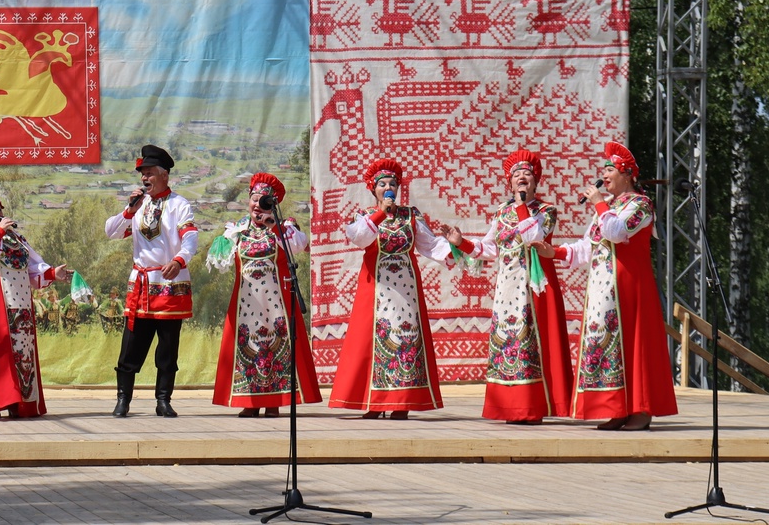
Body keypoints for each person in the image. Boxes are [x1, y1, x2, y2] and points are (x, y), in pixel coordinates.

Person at [535, 142, 677, 431]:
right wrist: (557, 253)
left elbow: (616, 232)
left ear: (627, 174)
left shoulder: (640, 205)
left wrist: (600, 202)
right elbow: (588, 246)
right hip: (603, 287)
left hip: (629, 286)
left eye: (610, 169)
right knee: (607, 343)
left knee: (632, 344)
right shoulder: (608, 208)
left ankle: (641, 409)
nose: (604, 174)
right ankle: (618, 407)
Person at [440, 149, 574, 424]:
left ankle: (533, 407)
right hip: (507, 287)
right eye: (517, 175)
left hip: (533, 286)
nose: (522, 177)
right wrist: (461, 242)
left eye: (527, 174)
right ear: (509, 183)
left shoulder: (546, 211)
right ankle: (511, 407)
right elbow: (490, 248)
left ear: (535, 182)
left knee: (531, 341)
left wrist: (523, 206)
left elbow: (533, 237)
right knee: (510, 341)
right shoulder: (502, 212)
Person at [328, 158, 452, 419]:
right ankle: (373, 403)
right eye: (382, 184)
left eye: (392, 184)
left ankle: (401, 403)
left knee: (404, 338)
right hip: (376, 288)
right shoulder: (365, 217)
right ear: (373, 190)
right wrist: (381, 212)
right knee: (372, 340)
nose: (388, 188)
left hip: (406, 288)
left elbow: (429, 245)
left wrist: (458, 248)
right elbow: (360, 238)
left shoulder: (410, 215)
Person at [209, 173, 322, 417]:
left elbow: (299, 246)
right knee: (248, 347)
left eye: (263, 200)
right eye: (253, 198)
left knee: (276, 346)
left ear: (273, 204)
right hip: (246, 302)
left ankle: (274, 402)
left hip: (276, 302)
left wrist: (273, 224)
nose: (257, 204)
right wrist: (221, 246)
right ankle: (250, 402)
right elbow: (221, 261)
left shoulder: (284, 226)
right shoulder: (237, 229)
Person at [0, 183, 71, 418]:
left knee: (22, 352)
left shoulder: (15, 238)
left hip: (19, 304)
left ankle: (20, 402)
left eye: (0, 209)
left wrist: (51, 273)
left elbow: (32, 267)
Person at [105, 145, 198, 417]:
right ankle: (123, 400)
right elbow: (111, 232)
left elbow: (190, 237)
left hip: (170, 285)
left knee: (168, 349)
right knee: (131, 345)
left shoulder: (179, 205)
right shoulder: (138, 205)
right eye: (142, 174)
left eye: (150, 173)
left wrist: (179, 259)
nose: (144, 179)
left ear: (164, 175)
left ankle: (163, 400)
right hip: (142, 285)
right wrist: (129, 209)